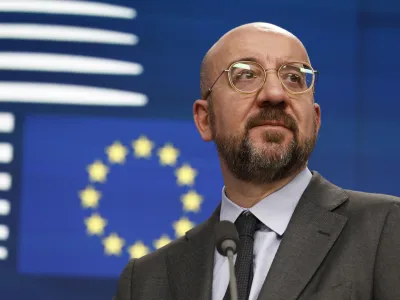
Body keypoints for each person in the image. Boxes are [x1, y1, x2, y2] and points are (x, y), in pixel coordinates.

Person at [114, 22, 400, 300]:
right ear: (204, 119)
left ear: (315, 119)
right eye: (246, 75)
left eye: (293, 77)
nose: (275, 94)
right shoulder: (146, 280)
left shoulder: (387, 228)